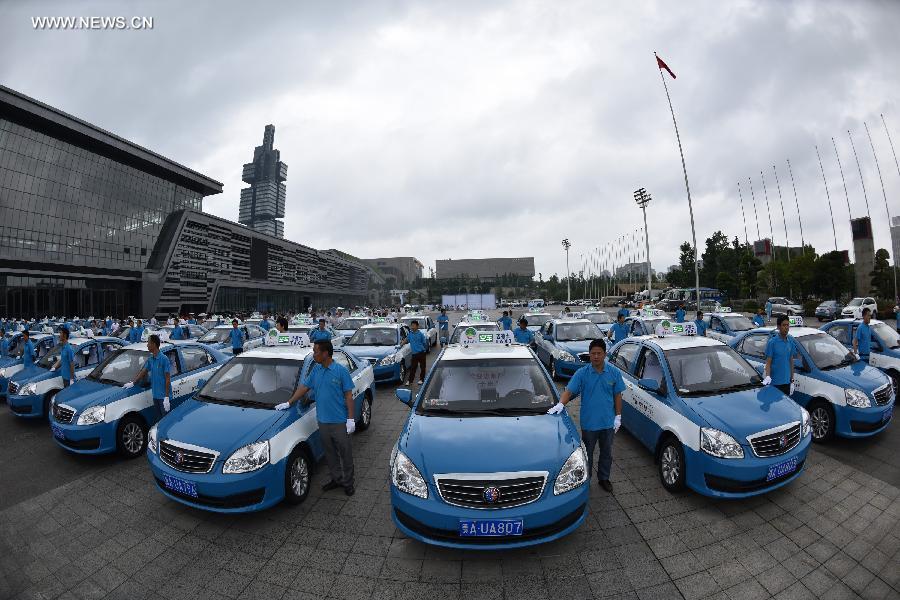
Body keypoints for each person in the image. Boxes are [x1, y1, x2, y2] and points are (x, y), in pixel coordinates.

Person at [276, 340, 356, 495]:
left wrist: (351, 419)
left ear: (325, 353)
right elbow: (304, 387)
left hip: (339, 422)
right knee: (330, 453)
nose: (314, 355)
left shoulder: (340, 371)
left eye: (316, 352)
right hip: (323, 421)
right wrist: (289, 402)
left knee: (345, 453)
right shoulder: (316, 370)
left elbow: (348, 396)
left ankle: (348, 482)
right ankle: (336, 478)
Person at [547, 338, 623, 493]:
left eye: (598, 353)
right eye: (593, 353)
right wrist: (561, 403)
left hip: (608, 422)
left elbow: (618, 395)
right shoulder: (582, 373)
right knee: (587, 454)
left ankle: (604, 478)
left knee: (606, 453)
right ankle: (585, 480)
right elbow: (569, 391)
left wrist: (618, 416)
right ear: (589, 354)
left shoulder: (614, 372)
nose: (595, 356)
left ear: (604, 354)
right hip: (589, 423)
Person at [124, 334, 171, 418]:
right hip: (155, 395)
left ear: (154, 344)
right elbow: (143, 371)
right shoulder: (151, 359)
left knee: (165, 420)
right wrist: (133, 383)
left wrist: (167, 397)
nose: (147, 345)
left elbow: (167, 379)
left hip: (163, 397)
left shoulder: (164, 359)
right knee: (159, 419)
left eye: (148, 343)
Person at [763, 315, 797, 396]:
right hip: (775, 383)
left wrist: (792, 380)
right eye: (784, 325)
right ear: (778, 327)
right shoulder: (772, 342)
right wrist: (768, 376)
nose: (786, 327)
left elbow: (791, 361)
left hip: (787, 382)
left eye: (787, 325)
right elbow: (768, 362)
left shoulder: (790, 341)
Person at [403, 320, 428, 385]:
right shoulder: (410, 334)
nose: (412, 327)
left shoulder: (421, 334)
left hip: (421, 353)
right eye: (412, 325)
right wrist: (400, 344)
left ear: (417, 326)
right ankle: (410, 381)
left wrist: (424, 350)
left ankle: (421, 379)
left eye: (414, 325)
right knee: (413, 368)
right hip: (414, 354)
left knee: (422, 367)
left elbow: (424, 343)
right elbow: (406, 340)